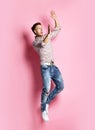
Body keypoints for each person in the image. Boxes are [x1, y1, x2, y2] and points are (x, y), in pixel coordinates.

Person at [31, 10, 64, 122]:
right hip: (44, 68)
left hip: (53, 67)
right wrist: (48, 35)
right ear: (35, 32)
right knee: (46, 89)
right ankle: (43, 109)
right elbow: (43, 44)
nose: (41, 29)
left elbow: (58, 29)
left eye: (41, 28)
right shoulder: (35, 43)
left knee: (60, 86)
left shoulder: (47, 35)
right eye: (39, 28)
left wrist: (55, 18)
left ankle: (47, 103)